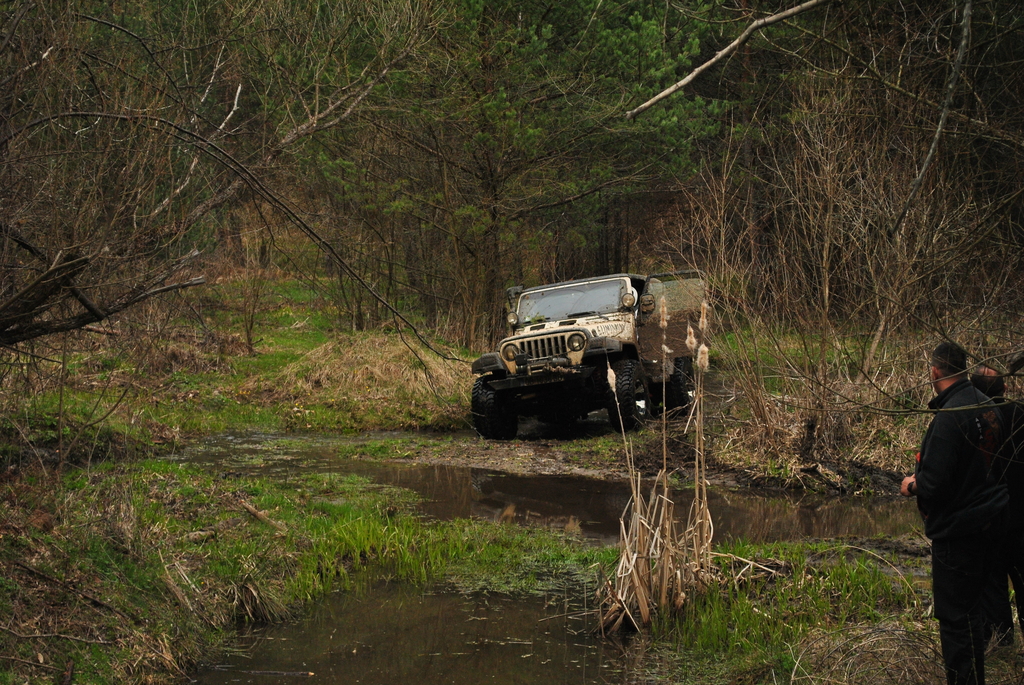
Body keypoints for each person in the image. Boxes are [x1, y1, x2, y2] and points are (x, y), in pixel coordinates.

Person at [901, 342, 1007, 685]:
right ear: (964, 369)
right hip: (991, 523)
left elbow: (935, 484)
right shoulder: (989, 406)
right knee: (974, 614)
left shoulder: (949, 417)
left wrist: (912, 485)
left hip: (958, 533)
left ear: (934, 372)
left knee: (956, 621)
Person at [972, 365, 1024, 646]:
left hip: (990, 518)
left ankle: (1001, 641)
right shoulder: (1021, 416)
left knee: (993, 585)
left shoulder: (973, 420)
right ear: (1005, 389)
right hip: (1020, 520)